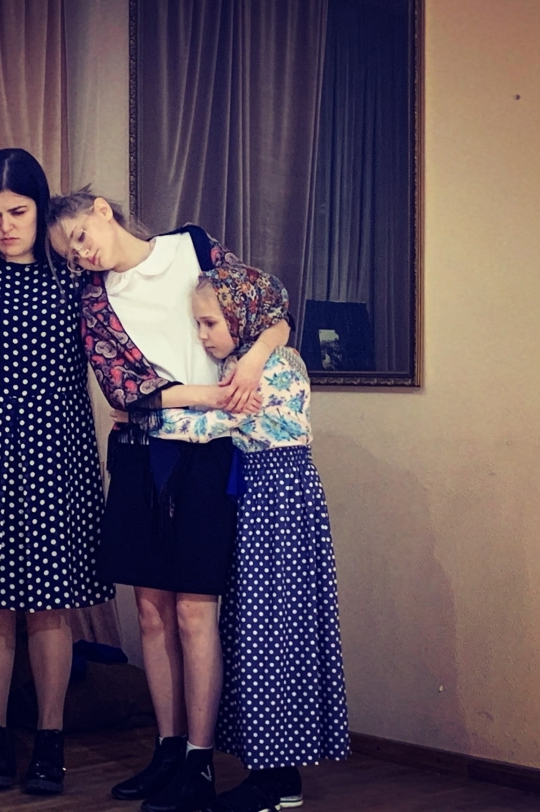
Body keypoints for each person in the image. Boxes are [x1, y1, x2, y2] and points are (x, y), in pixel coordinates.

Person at [46, 191, 290, 812]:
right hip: (139, 455)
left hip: (209, 456)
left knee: (194, 612)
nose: (80, 254)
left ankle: (199, 761)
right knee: (151, 614)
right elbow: (125, 391)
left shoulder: (194, 247)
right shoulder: (93, 299)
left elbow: (271, 311)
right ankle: (168, 747)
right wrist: (211, 396)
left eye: (79, 236)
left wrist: (254, 363)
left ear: (101, 210)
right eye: (69, 253)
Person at [153, 266, 350, 812]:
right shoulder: (252, 359)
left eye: (210, 323)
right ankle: (274, 774)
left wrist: (144, 413)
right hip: (265, 496)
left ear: (242, 316)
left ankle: (277, 780)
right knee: (261, 630)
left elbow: (208, 425)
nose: (202, 335)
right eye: (198, 324)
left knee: (271, 633)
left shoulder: (269, 368)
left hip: (277, 500)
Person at [0, 149, 114, 796]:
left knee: (51, 605)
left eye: (18, 212)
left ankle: (51, 739)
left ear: (39, 207)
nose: (5, 227)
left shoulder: (73, 276)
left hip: (59, 449)